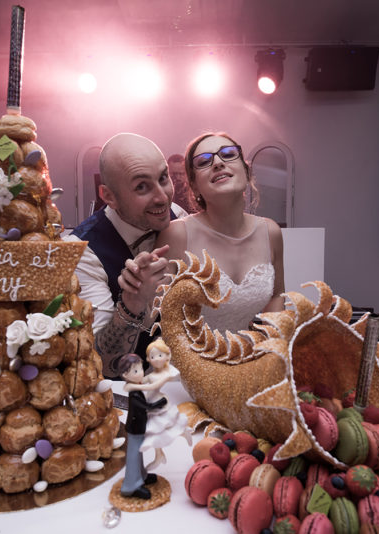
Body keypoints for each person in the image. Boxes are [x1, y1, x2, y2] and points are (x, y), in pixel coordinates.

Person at [68, 133, 188, 377]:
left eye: (163, 178)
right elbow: (102, 364)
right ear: (109, 196)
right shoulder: (82, 249)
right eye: (141, 186)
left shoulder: (178, 214)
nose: (163, 197)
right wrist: (134, 302)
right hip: (126, 395)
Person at [153, 132, 285, 333]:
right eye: (204, 161)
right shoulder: (176, 235)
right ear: (195, 187)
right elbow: (154, 314)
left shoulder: (270, 232)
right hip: (187, 360)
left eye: (229, 154)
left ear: (247, 171)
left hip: (247, 355)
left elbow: (276, 296)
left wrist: (273, 346)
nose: (217, 163)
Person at [123, 338, 190, 471]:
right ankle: (159, 455)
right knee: (154, 433)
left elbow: (152, 386)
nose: (157, 359)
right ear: (148, 359)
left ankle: (183, 432)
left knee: (162, 427)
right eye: (153, 356)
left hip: (158, 403)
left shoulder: (166, 374)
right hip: (150, 402)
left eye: (160, 355)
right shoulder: (152, 374)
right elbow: (141, 380)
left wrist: (132, 386)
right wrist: (131, 383)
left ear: (167, 355)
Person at [119, 353, 168, 499]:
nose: (140, 373)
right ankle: (130, 486)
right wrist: (159, 404)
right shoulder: (133, 393)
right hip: (134, 428)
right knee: (133, 456)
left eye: (140, 369)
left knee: (138, 454)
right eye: (135, 371)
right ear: (125, 375)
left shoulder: (136, 387)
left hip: (139, 426)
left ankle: (141, 476)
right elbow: (146, 406)